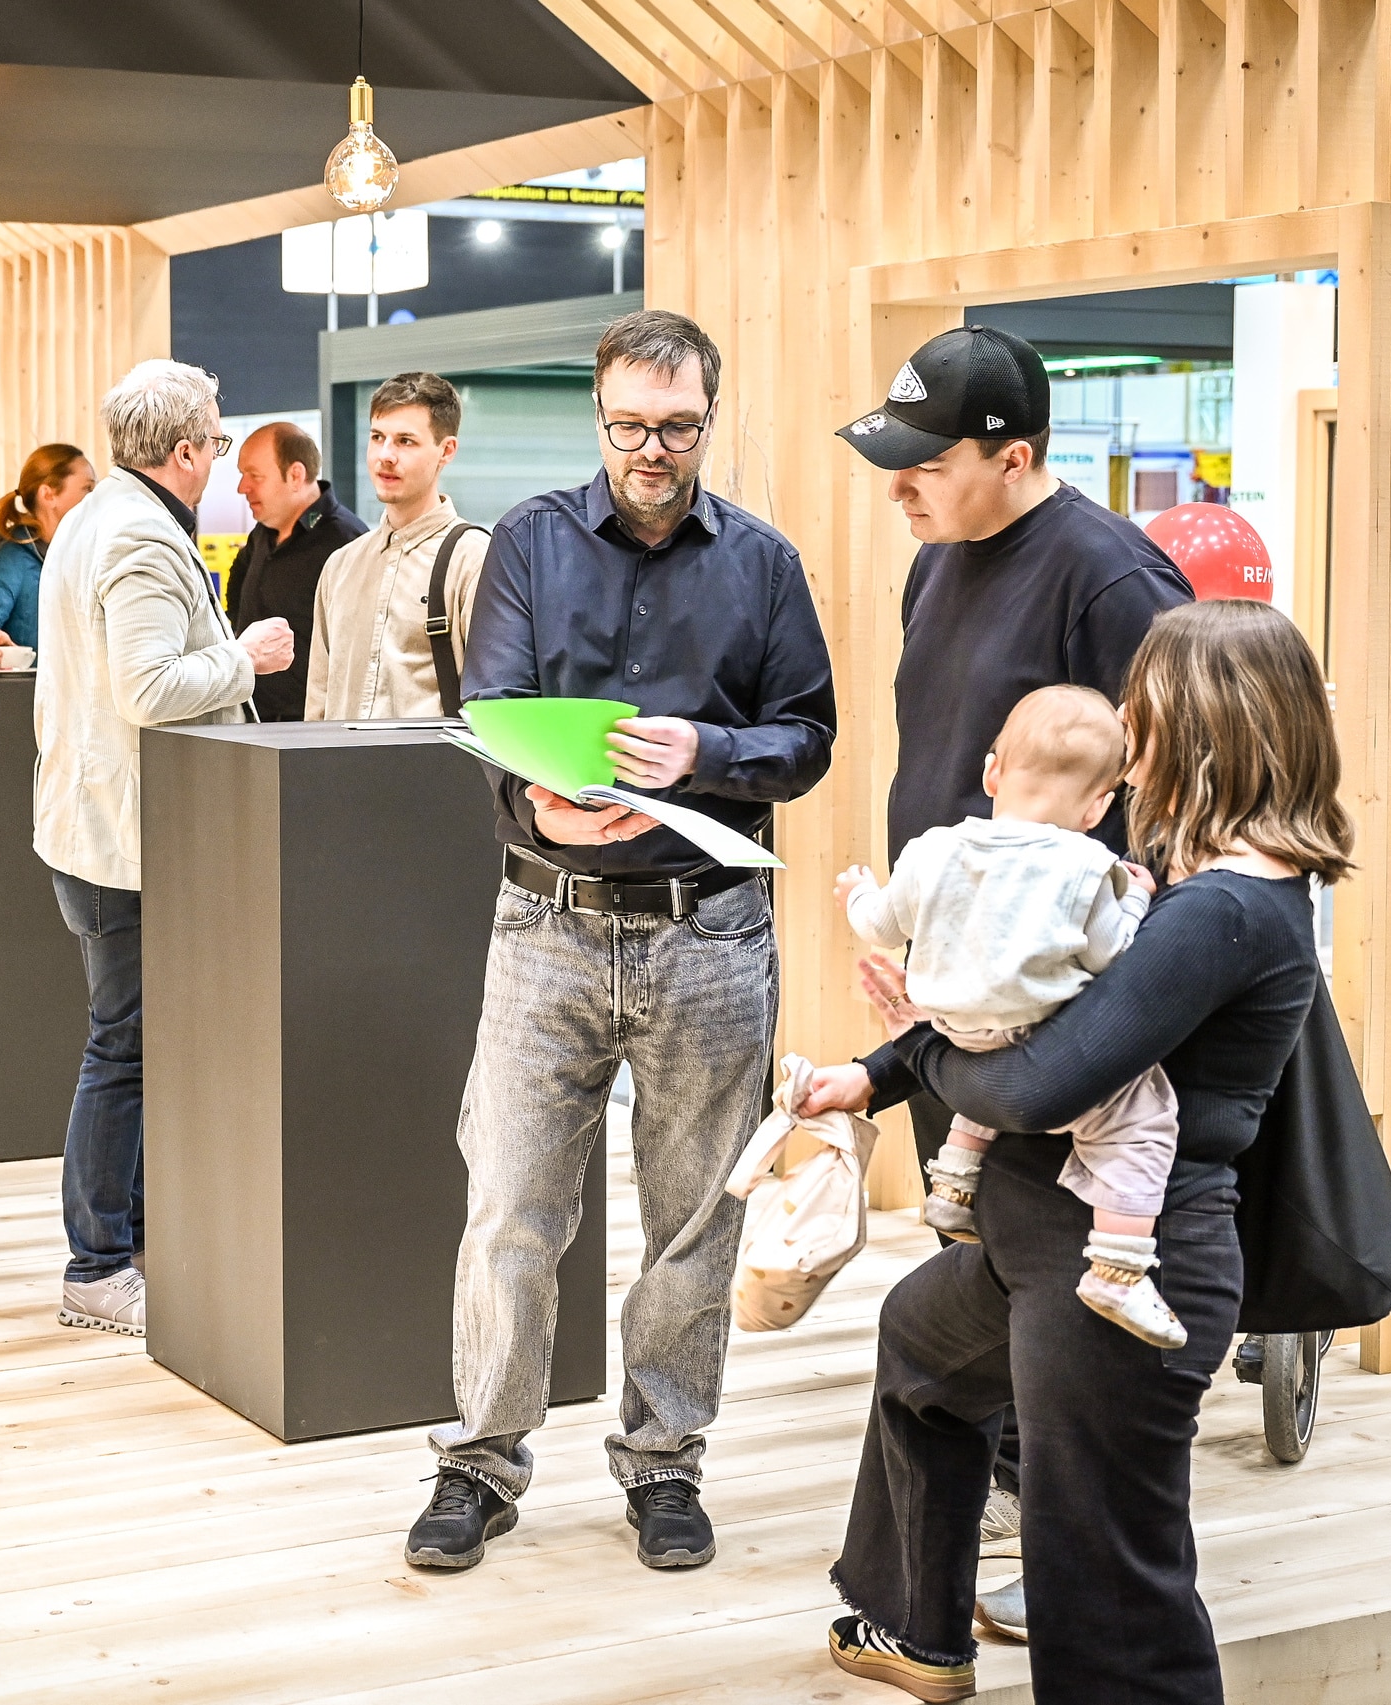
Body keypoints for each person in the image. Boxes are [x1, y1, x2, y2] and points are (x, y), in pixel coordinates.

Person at [794, 600, 1348, 1703]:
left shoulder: (1224, 909)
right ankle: (918, 1628)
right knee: (920, 1353)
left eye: (1144, 714)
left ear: (1200, 728)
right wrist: (883, 1066)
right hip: (1035, 1243)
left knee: (1101, 1568)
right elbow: (1037, 1010)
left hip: (1118, 1265)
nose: (1128, 738)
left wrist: (934, 1037)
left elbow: (1044, 1081)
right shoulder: (1186, 879)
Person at [406, 310, 836, 1575]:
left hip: (708, 934)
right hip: (544, 922)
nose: (654, 449)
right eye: (632, 426)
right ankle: (479, 1464)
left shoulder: (763, 563)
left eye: (680, 427)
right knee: (509, 1210)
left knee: (695, 1220)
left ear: (711, 416)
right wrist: (529, 796)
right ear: (599, 416)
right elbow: (487, 713)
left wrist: (709, 752)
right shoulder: (531, 543)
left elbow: (805, 737)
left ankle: (663, 1465)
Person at [833, 322, 1192, 1562]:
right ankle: (992, 1498)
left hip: (1062, 1022)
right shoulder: (937, 557)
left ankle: (1057, 1523)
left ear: (1015, 452)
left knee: (1044, 1271)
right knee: (974, 1257)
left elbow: (1169, 820)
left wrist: (1095, 1024)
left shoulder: (1116, 583)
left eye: (924, 464)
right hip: (957, 994)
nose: (898, 488)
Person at [32, 360, 294, 1337]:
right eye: (217, 441)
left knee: (128, 1044)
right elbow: (147, 690)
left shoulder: (96, 516)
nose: (220, 457)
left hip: (92, 824)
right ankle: (96, 1267)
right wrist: (248, 655)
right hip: (122, 841)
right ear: (185, 451)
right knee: (124, 1050)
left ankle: (131, 1243)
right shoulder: (141, 535)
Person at [836, 685, 1182, 1347]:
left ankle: (954, 1183)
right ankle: (1120, 1265)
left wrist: (858, 893)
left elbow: (880, 926)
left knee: (988, 1047)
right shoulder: (1089, 865)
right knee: (1142, 1111)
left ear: (992, 770)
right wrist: (1135, 898)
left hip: (951, 1024)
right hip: (1032, 1030)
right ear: (1099, 806)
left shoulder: (933, 849)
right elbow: (1115, 953)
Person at [303, 371, 490, 720]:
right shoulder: (341, 566)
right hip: (339, 770)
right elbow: (319, 699)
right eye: (377, 437)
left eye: (405, 441)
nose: (385, 455)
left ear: (446, 450)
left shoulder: (473, 558)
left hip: (433, 771)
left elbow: (492, 702)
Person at [226, 420, 365, 720]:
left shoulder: (346, 543)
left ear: (295, 475)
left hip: (309, 735)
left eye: (254, 476)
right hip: (248, 722)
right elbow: (236, 603)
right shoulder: (261, 536)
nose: (242, 488)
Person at [0, 443, 96, 672]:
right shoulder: (9, 561)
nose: (96, 498)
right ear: (48, 494)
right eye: (88, 488)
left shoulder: (83, 556)